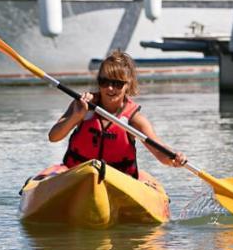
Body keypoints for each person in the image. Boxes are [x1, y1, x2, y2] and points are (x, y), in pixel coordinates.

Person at [47, 50, 186, 177]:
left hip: (118, 180)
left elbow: (159, 150)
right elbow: (53, 137)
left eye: (117, 83)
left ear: (128, 84)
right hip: (77, 175)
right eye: (104, 82)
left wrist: (174, 158)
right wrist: (76, 116)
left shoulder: (134, 119)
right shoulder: (83, 105)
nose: (110, 88)